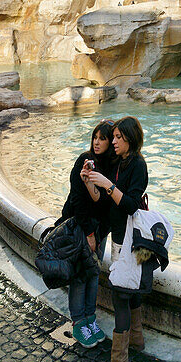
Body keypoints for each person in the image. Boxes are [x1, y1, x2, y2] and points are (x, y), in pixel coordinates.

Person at [87, 117, 149, 362]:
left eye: (117, 138)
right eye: (111, 137)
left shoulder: (137, 165)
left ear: (130, 139)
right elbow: (104, 201)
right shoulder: (119, 162)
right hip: (118, 238)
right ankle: (136, 338)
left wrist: (107, 184)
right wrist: (91, 181)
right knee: (127, 290)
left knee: (120, 296)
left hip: (129, 241)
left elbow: (132, 205)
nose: (112, 142)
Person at [61, 120, 116, 347]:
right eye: (95, 137)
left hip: (100, 229)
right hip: (81, 227)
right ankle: (78, 323)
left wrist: (98, 233)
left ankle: (90, 319)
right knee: (80, 275)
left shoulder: (112, 168)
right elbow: (77, 201)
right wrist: (89, 234)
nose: (97, 142)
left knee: (93, 274)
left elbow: (104, 203)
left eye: (103, 138)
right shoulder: (84, 160)